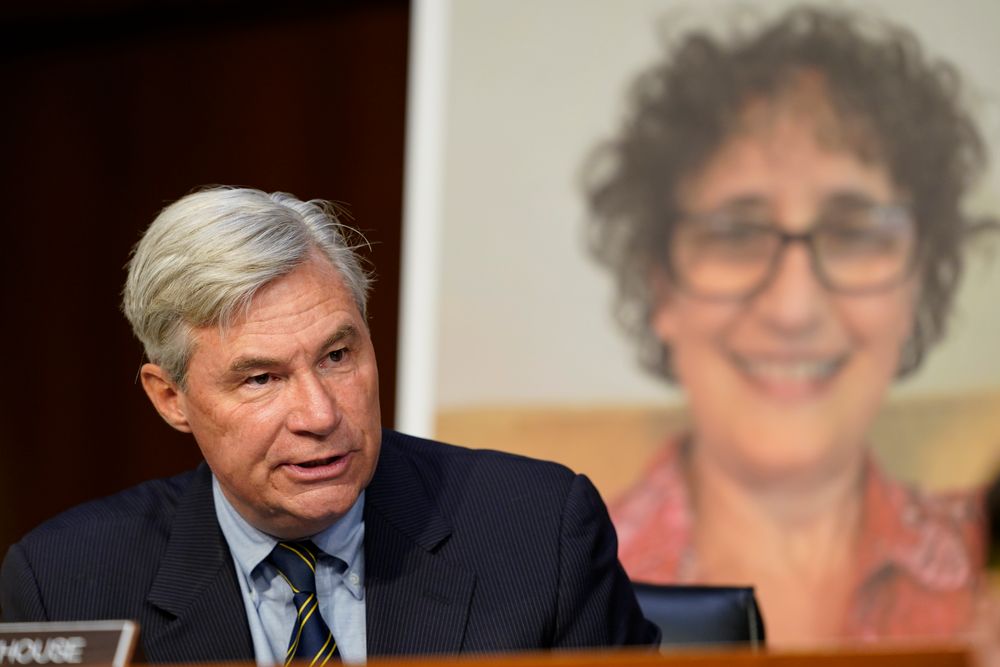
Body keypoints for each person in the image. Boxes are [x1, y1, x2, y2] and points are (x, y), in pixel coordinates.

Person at [1, 187, 658, 663]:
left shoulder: (536, 531)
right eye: (260, 378)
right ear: (170, 396)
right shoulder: (66, 582)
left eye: (338, 356)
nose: (321, 414)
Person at [582, 5, 995, 646]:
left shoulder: (988, 570)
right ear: (659, 284)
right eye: (738, 232)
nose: (794, 308)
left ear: (923, 276)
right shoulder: (556, 579)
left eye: (855, 232)